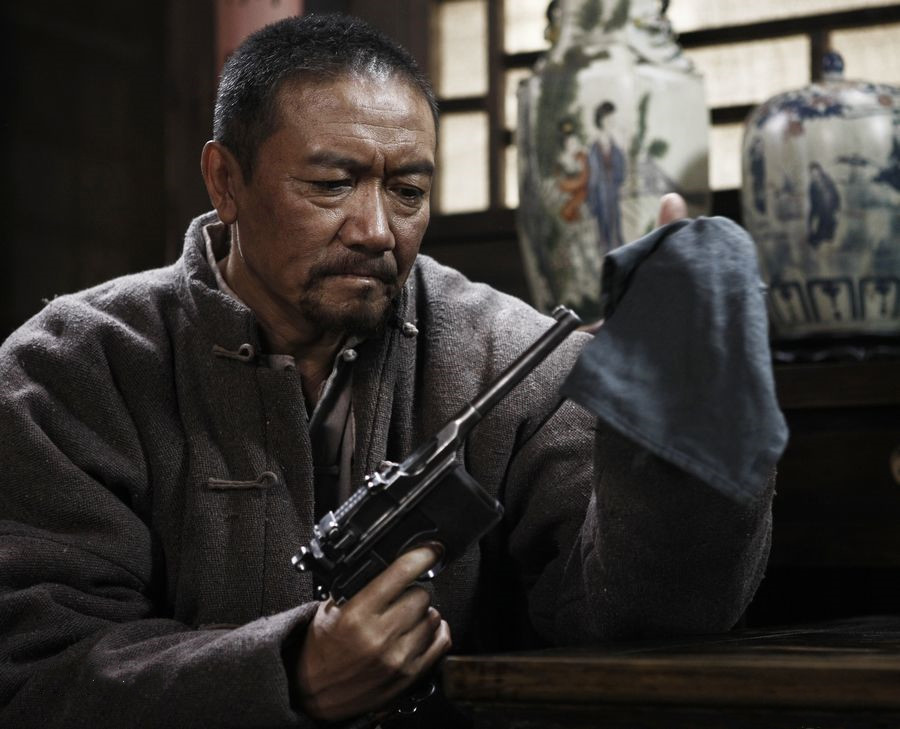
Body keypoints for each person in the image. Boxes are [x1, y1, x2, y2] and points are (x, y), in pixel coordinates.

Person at [0, 13, 786, 728]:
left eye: (408, 190)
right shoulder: (74, 366)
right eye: (331, 184)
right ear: (226, 181)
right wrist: (289, 672)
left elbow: (635, 625)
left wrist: (681, 436)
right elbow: (34, 674)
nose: (378, 229)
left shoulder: (510, 354)